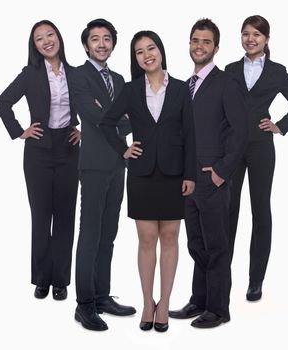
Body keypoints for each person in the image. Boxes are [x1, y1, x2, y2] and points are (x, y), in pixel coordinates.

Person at [100, 30, 196, 332]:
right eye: (139, 52)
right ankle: (147, 302)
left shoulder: (181, 89)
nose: (146, 55)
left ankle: (164, 303)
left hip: (174, 173)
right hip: (141, 174)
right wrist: (123, 149)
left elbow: (191, 135)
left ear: (161, 51)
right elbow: (106, 122)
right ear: (136, 59)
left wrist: (191, 174)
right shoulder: (130, 90)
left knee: (170, 238)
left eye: (150, 48)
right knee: (145, 241)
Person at [169, 18, 248, 328]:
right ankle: (199, 300)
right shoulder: (184, 85)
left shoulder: (226, 82)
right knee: (195, 243)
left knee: (216, 246)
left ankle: (218, 309)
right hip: (187, 179)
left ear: (215, 48)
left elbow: (240, 132)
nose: (198, 46)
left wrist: (221, 172)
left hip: (211, 177)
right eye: (194, 40)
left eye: (205, 42)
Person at [0, 20, 80, 301]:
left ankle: (61, 281)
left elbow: (96, 107)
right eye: (39, 38)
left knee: (65, 217)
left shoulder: (76, 73)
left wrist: (83, 129)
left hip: (68, 148)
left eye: (50, 35)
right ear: (34, 45)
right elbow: (2, 102)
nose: (46, 41)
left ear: (59, 37)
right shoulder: (30, 74)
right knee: (42, 216)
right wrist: (20, 131)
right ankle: (42, 279)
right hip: (39, 151)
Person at [224, 15, 288, 302]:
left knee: (260, 210)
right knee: (228, 209)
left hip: (260, 147)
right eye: (246, 33)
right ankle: (223, 276)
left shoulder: (277, 71)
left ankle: (255, 280)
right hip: (231, 149)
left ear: (266, 39)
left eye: (256, 34)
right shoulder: (230, 69)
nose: (250, 39)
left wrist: (279, 126)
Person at [68, 18, 135, 332]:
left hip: (118, 163)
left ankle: (102, 295)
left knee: (108, 235)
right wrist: (114, 116)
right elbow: (92, 116)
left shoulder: (120, 79)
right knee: (90, 235)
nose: (102, 44)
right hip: (93, 164)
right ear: (86, 45)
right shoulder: (78, 75)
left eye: (107, 38)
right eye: (95, 39)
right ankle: (84, 305)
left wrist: (115, 117)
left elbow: (130, 119)